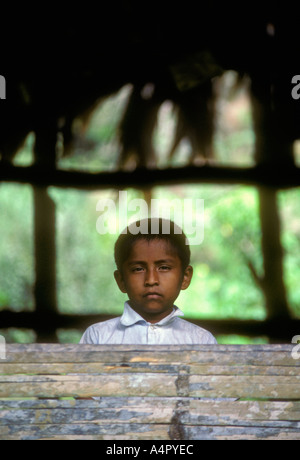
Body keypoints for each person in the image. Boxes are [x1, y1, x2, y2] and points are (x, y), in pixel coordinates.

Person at [80, 218, 217, 344]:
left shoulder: (201, 340)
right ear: (121, 280)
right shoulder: (98, 337)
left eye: (164, 267)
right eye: (138, 269)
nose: (151, 280)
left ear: (185, 277)